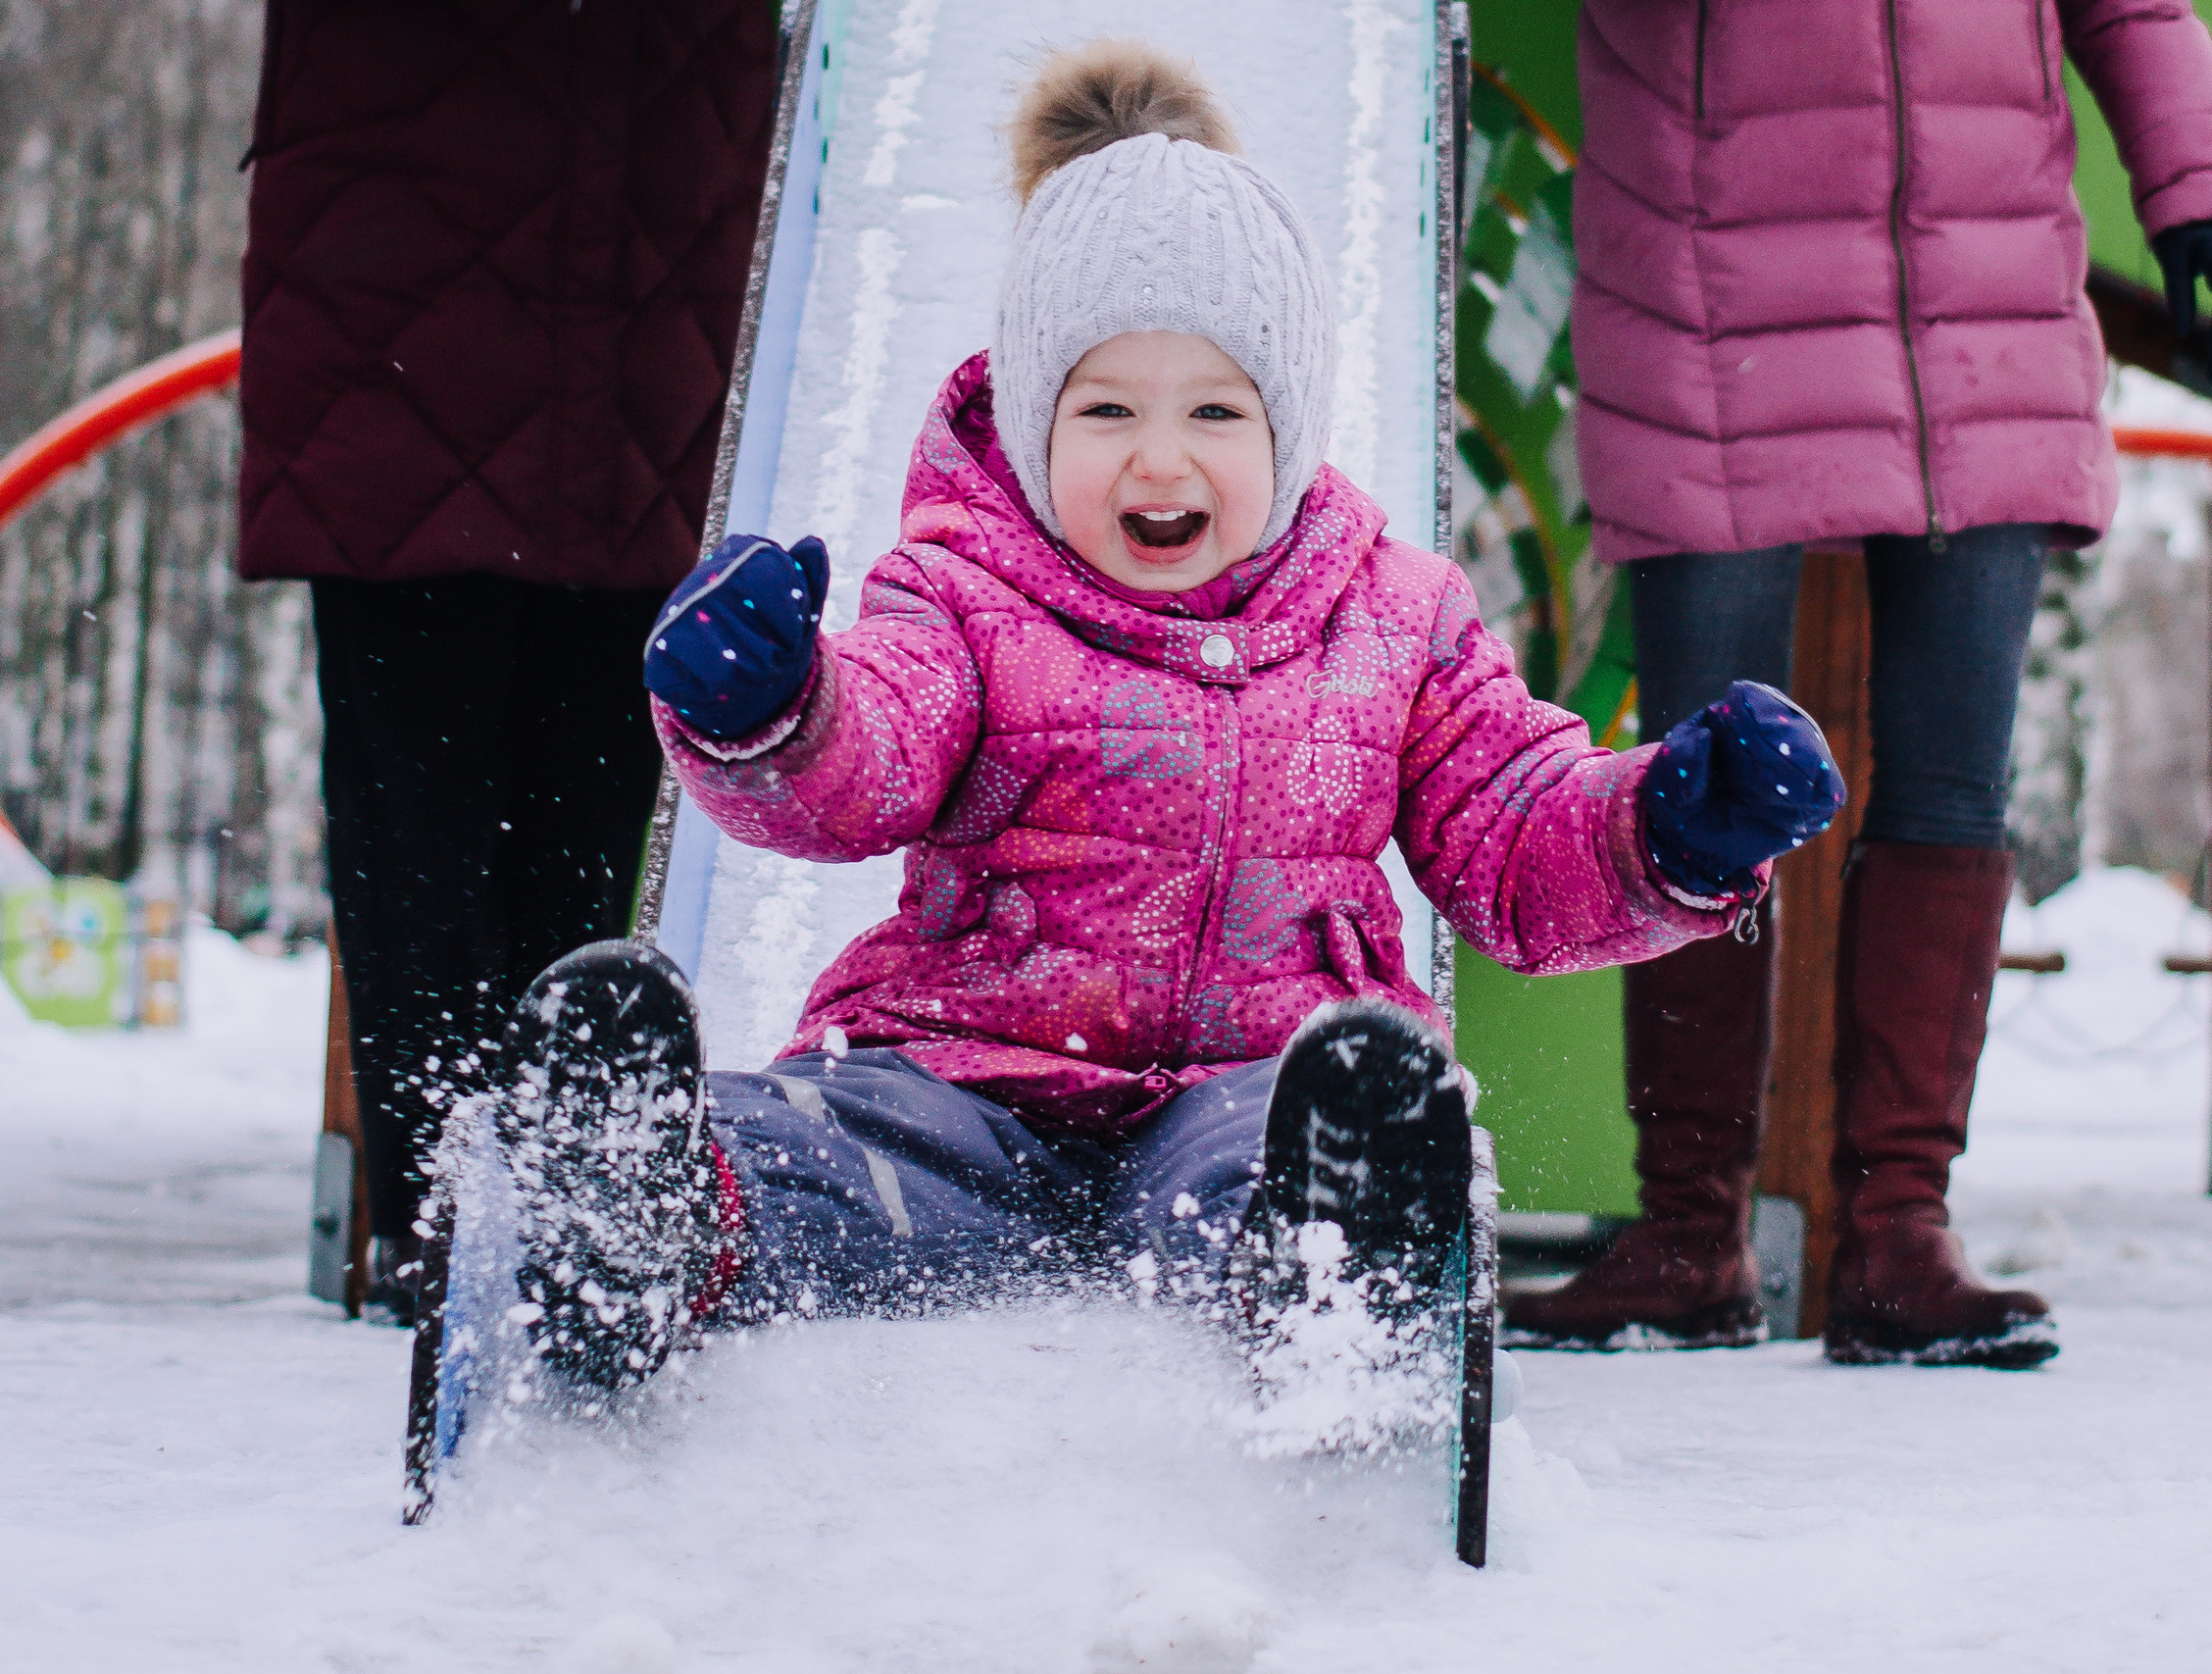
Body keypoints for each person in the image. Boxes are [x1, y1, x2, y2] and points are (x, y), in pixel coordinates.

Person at [490, 42, 1843, 1386]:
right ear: (1031, 423)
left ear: (1288, 425)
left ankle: (1336, 1250)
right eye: (1105, 409)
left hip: (1254, 1085)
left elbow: (1512, 832)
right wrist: (775, 708)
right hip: (968, 1070)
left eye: (1213, 407)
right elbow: (872, 757)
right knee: (843, 1143)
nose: (1159, 455)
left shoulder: (1393, 617)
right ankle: (654, 1207)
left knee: (1280, 1152)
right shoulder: (963, 591)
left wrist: (1669, 828)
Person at [1503, 0, 2212, 1367]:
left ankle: (1899, 1233)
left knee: (1953, 788)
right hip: (1711, 303)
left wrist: (2199, 193)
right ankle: (1690, 1230)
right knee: (1698, 797)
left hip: (1975, 312)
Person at [234, 0, 778, 1320]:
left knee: (582, 817)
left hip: (646, 267)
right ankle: (452, 1221)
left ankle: (554, 1215)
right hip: (410, 271)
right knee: (423, 814)